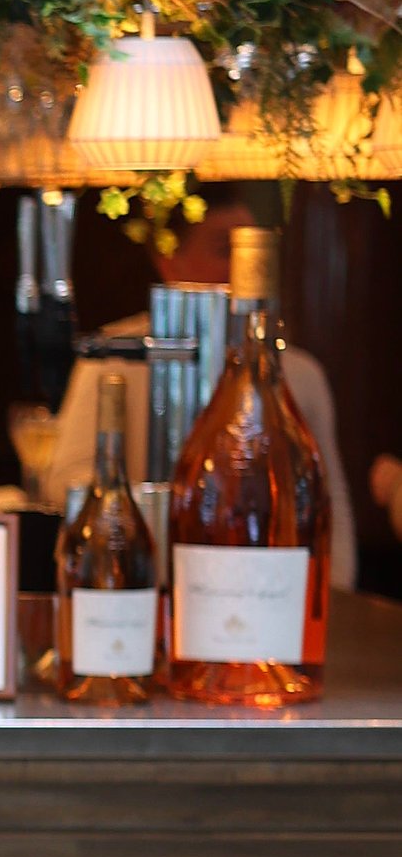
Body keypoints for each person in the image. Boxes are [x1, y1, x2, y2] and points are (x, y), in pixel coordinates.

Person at [46, 196, 356, 586]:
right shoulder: (113, 355)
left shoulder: (300, 373)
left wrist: (337, 597)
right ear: (168, 259)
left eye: (246, 253)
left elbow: (331, 506)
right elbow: (64, 479)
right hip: (146, 581)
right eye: (224, 250)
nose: (237, 269)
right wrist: (151, 517)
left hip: (265, 587)